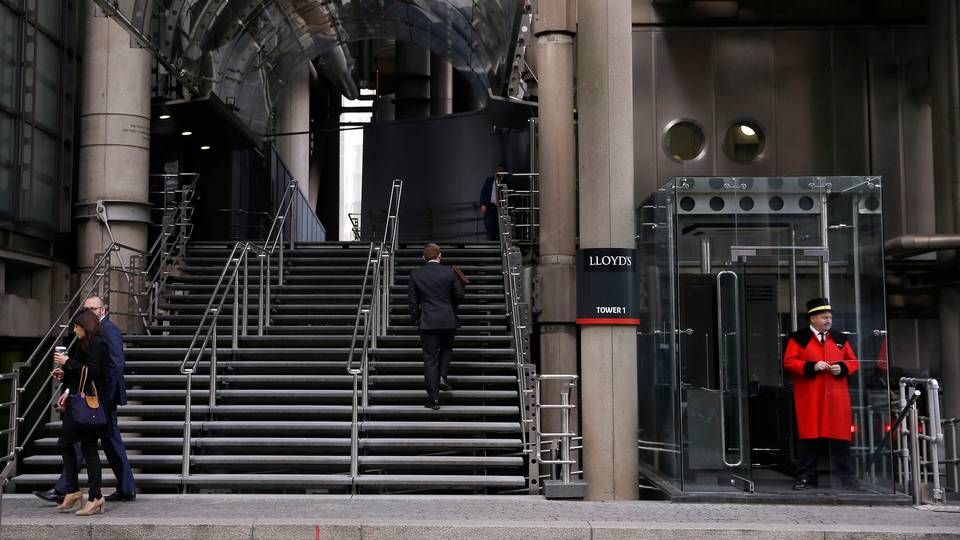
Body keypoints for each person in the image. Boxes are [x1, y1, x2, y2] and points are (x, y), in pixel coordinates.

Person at [35, 296, 136, 504]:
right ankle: (124, 488)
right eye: (86, 308)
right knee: (107, 442)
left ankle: (67, 489)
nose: (89, 311)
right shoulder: (91, 331)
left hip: (101, 398)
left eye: (93, 308)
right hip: (97, 397)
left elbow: (115, 366)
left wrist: (101, 398)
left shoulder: (108, 331)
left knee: (87, 442)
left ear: (103, 309)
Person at [783, 297, 860, 490]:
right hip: (810, 397)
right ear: (812, 319)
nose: (828, 320)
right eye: (824, 317)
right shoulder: (798, 338)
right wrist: (811, 366)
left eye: (829, 317)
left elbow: (853, 362)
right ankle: (806, 477)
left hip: (836, 397)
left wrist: (841, 368)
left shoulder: (840, 339)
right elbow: (789, 362)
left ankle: (847, 478)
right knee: (809, 438)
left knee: (840, 439)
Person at [51, 309, 108, 515]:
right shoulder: (80, 343)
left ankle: (95, 496)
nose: (74, 330)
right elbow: (77, 373)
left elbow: (93, 371)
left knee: (88, 447)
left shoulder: (98, 343)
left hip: (89, 404)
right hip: (78, 401)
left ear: (86, 326)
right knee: (69, 443)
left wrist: (67, 363)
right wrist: (63, 374)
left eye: (76, 326)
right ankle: (74, 490)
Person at [408, 243, 465, 409]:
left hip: (427, 321)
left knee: (430, 359)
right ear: (440, 256)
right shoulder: (449, 272)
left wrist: (416, 318)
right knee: (447, 348)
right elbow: (459, 294)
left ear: (423, 257)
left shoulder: (416, 274)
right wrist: (450, 307)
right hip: (448, 319)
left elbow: (412, 301)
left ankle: (433, 399)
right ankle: (442, 376)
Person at [479, 164, 506, 241]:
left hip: (500, 207)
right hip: (490, 206)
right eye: (498, 170)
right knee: (488, 223)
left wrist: (501, 180)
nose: (499, 172)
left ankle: (498, 240)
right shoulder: (489, 180)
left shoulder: (505, 182)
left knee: (501, 225)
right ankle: (496, 238)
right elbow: (483, 192)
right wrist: (483, 204)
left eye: (501, 171)